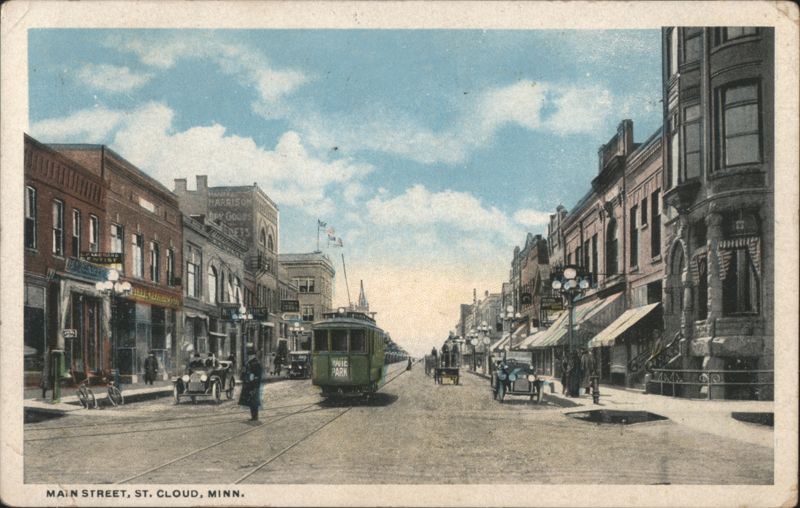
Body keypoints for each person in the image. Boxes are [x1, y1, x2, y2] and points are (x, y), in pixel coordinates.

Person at [239, 351, 264, 421]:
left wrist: (255, 381)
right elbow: (244, 372)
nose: (249, 357)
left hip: (254, 385)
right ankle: (253, 417)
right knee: (251, 401)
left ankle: (255, 417)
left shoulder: (256, 363)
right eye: (249, 356)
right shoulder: (248, 363)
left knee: (254, 401)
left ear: (254, 355)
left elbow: (259, 375)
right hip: (249, 384)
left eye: (251, 355)